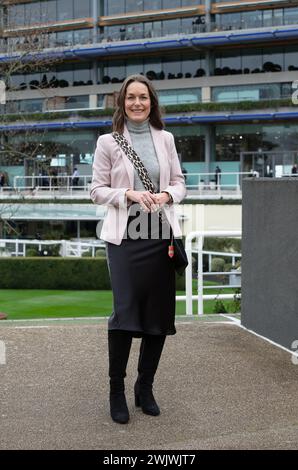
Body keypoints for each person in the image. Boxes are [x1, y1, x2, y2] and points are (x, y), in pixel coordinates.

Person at [90, 74, 186, 424]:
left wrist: (167, 195)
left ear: (152, 101)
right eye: (130, 97)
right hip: (125, 238)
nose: (137, 103)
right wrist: (127, 194)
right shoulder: (108, 142)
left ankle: (145, 389)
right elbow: (97, 189)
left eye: (143, 97)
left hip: (161, 235)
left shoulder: (166, 138)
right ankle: (117, 389)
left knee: (158, 317)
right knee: (125, 313)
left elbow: (179, 182)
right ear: (122, 102)